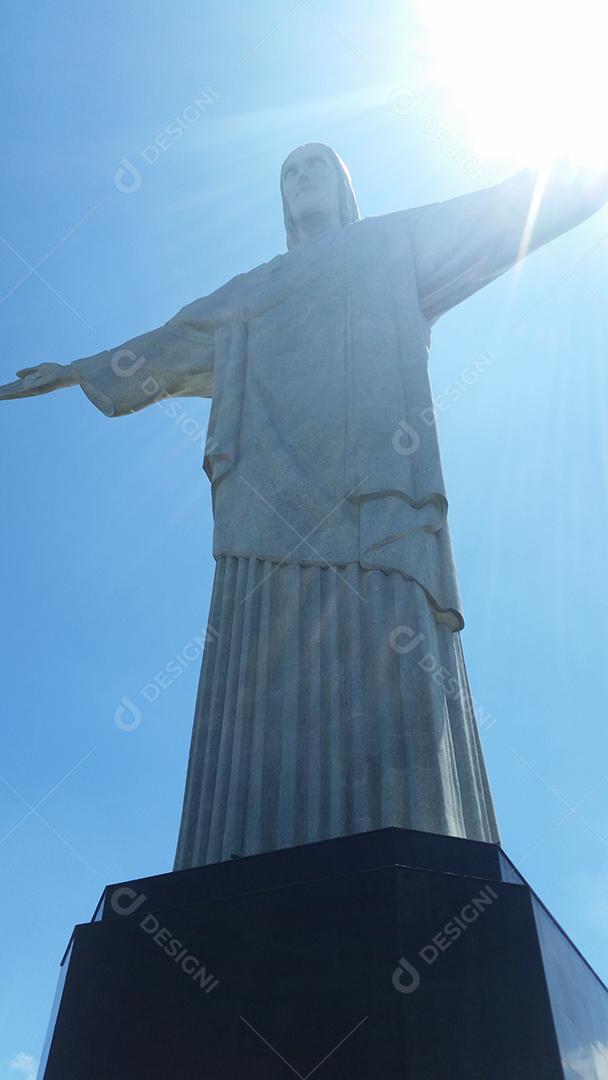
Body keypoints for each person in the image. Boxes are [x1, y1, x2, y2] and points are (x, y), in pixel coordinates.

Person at [2, 144, 606, 868]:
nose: (302, 175)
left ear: (346, 185)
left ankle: (414, 846)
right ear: (282, 202)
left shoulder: (394, 243)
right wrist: (75, 371)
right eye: (289, 171)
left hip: (377, 503)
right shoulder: (250, 289)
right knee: (258, 673)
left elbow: (504, 210)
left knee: (394, 662)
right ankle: (236, 863)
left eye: (317, 163)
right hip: (262, 519)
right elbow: (166, 343)